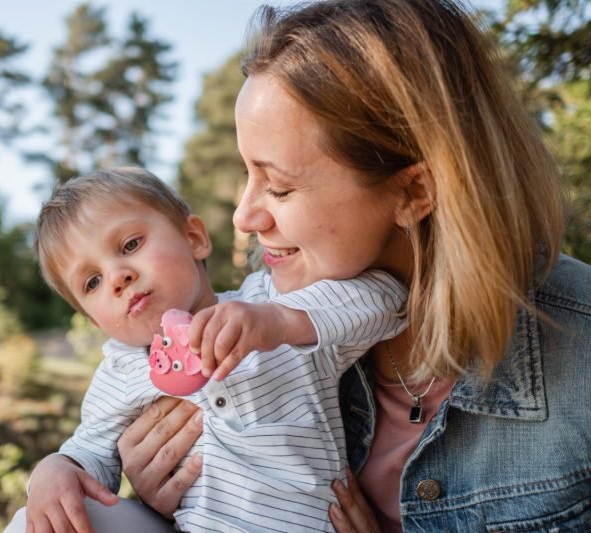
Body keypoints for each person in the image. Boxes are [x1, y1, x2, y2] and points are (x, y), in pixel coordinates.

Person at [113, 0, 591, 531]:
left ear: (414, 191)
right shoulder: (257, 329)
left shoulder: (581, 349)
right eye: (247, 173)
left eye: (279, 186)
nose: (244, 217)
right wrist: (174, 497)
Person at [7, 166, 408, 532]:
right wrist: (56, 467)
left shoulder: (269, 301)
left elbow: (390, 301)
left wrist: (282, 321)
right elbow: (90, 452)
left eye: (129, 245)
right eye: (92, 282)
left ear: (194, 238)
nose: (117, 277)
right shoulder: (122, 371)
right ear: (95, 321)